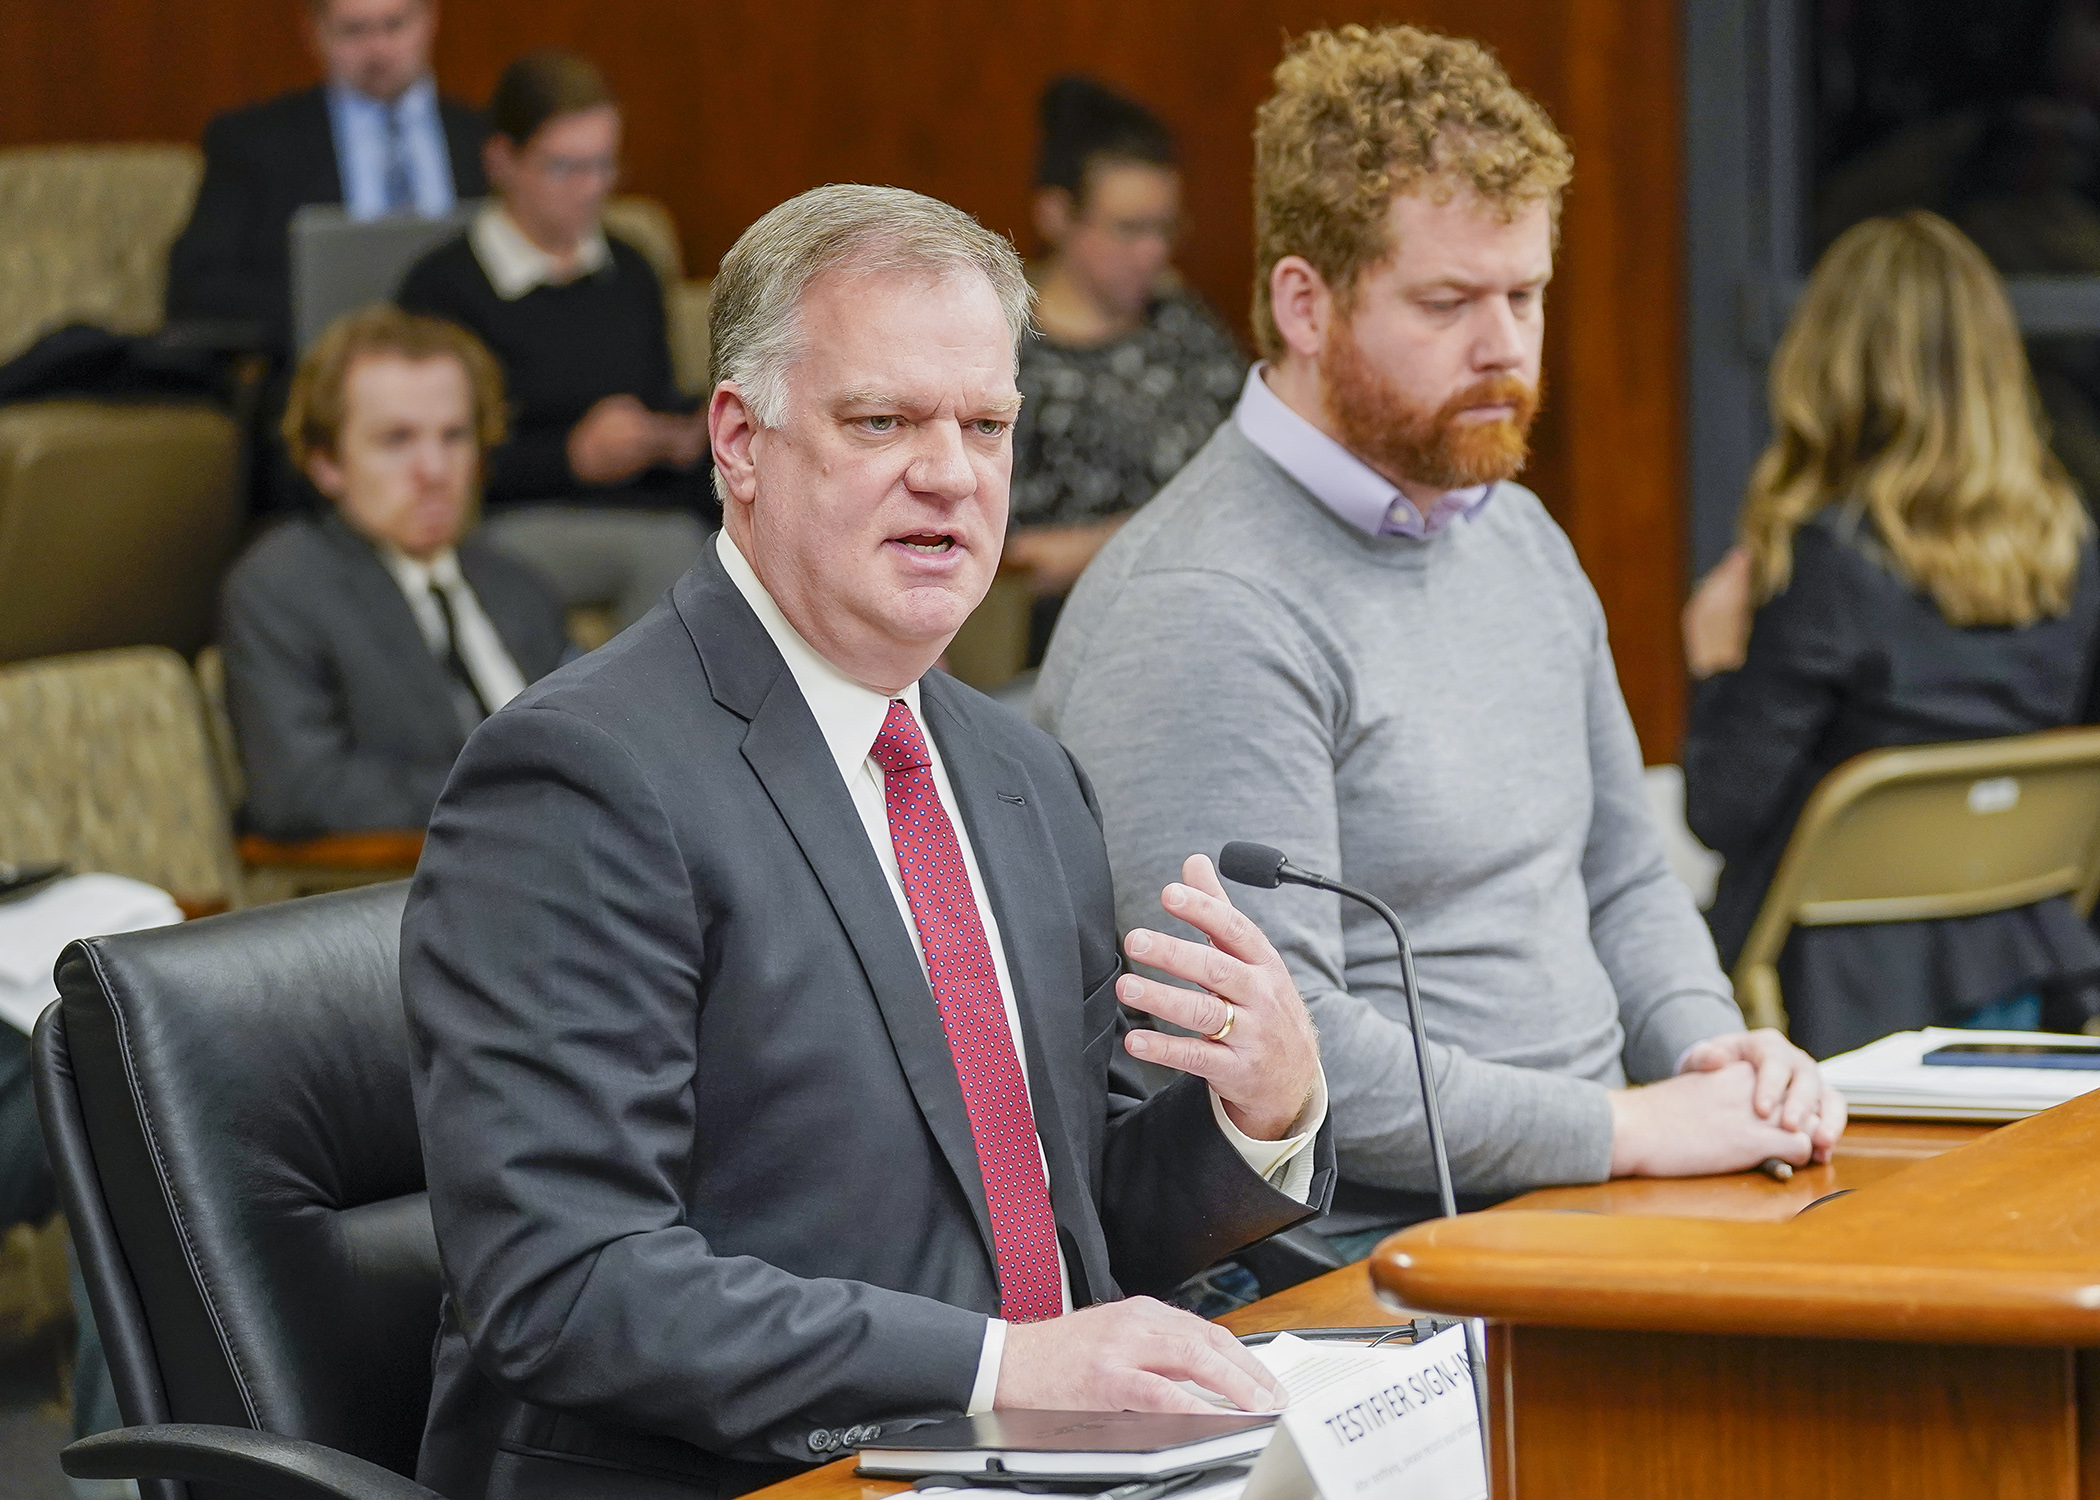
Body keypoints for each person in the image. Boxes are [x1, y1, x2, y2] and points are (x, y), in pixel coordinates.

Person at [401, 184, 1333, 1500]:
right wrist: (1000, 1373)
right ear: (741, 440)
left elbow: (1071, 1216)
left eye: (987, 425)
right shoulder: (579, 778)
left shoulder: (1021, 772)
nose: (950, 472)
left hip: (1041, 1464)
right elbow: (569, 1283)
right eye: (883, 420)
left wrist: (1263, 1115)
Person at [1036, 24, 1845, 1257]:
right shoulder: (1202, 603)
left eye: (1525, 294)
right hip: (1382, 1273)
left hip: (1606, 1198)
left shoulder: (1516, 534)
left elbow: (1624, 875)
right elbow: (1274, 1055)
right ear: (1304, 303)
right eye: (1449, 302)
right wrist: (1627, 1129)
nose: (1507, 348)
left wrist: (1706, 1047)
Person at [1682, 212, 2100, 1059]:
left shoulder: (1829, 567)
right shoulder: (2070, 557)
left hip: (1831, 1008)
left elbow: (1722, 812)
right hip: (2028, 983)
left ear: (1828, 368)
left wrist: (1714, 663)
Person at [219, 306, 568, 839]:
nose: (434, 470)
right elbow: (302, 792)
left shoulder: (515, 583)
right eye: (397, 440)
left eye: (454, 436)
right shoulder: (280, 587)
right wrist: (524, 797)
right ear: (326, 463)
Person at [397, 50, 712, 628]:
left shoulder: (631, 268)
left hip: (641, 502)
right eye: (566, 168)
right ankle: (645, 719)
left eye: (604, 166)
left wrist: (682, 433)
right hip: (510, 516)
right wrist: (571, 457)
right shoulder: (445, 287)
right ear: (502, 160)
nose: (591, 189)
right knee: (671, 549)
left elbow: (654, 394)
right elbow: (441, 454)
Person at [1005, 76, 1245, 665]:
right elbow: (1021, 562)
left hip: (1225, 614)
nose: (1153, 253)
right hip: (1079, 644)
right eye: (1129, 229)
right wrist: (1182, 525)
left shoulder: (1181, 319)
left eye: (1165, 228)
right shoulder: (1007, 351)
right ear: (1057, 215)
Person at [166, 0, 488, 361]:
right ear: (314, 33)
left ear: (430, 20)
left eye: (395, 25)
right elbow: (196, 288)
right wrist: (314, 302)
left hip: (467, 363)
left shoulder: (488, 140)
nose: (378, 50)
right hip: (320, 369)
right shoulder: (254, 143)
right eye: (353, 30)